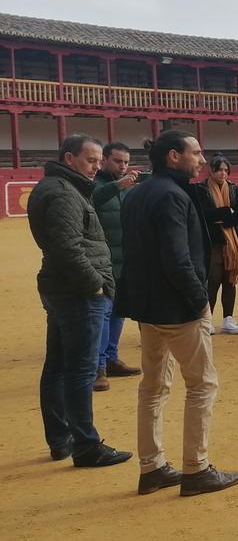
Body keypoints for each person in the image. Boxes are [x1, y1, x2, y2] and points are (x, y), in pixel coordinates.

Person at [120, 129, 238, 496]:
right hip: (177, 308)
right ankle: (196, 468)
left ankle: (151, 466)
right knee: (202, 385)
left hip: (147, 306)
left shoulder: (137, 193)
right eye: (196, 152)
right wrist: (199, 299)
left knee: (153, 388)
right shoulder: (173, 196)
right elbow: (177, 258)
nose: (202, 159)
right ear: (174, 156)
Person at [28, 134, 132, 468]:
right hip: (77, 292)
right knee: (80, 369)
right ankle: (86, 445)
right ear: (69, 158)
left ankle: (61, 440)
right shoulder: (63, 193)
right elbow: (68, 249)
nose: (97, 166)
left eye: (100, 161)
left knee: (58, 366)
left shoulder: (59, 188)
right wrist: (96, 286)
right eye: (91, 160)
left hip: (62, 287)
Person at [91, 141, 146, 392]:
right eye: (117, 161)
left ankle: (111, 359)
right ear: (104, 160)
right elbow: (92, 200)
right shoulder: (94, 184)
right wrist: (118, 186)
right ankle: (98, 367)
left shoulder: (126, 188)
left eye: (125, 161)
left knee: (119, 312)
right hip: (102, 261)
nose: (123, 166)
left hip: (125, 260)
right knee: (103, 313)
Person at [195, 155, 238, 335]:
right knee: (213, 280)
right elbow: (204, 214)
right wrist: (227, 211)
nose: (223, 173)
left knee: (230, 280)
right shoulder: (202, 190)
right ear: (211, 170)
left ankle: (228, 319)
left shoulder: (233, 189)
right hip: (213, 241)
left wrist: (224, 219)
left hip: (231, 240)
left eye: (226, 170)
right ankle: (208, 319)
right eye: (219, 170)